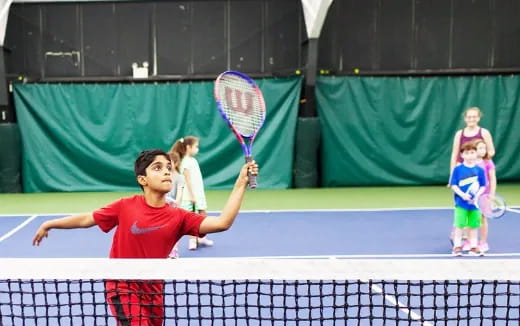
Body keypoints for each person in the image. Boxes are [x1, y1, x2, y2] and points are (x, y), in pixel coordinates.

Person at [32, 149, 259, 326]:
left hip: (154, 292)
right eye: (158, 168)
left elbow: (222, 223)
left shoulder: (178, 216)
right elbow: (87, 219)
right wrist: (51, 223)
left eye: (169, 167)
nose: (167, 171)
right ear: (143, 179)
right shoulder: (125, 206)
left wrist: (240, 182)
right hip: (121, 287)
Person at [170, 136, 212, 250]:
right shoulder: (185, 162)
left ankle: (202, 238)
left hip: (199, 194)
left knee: (203, 214)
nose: (197, 149)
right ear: (188, 147)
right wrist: (192, 196)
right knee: (191, 219)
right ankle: (192, 240)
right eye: (196, 147)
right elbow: (187, 180)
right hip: (190, 196)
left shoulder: (193, 160)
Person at [449, 141, 486, 257]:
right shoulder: (458, 169)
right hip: (461, 204)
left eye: (472, 153)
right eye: (467, 153)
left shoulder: (480, 170)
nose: (470, 155)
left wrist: (477, 196)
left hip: (474, 205)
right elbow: (453, 185)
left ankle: (473, 247)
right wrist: (462, 195)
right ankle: (457, 247)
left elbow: (483, 186)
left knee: (474, 227)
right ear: (462, 155)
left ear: (476, 154)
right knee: (459, 226)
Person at [474, 139, 497, 253]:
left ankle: (483, 243)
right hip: (471, 197)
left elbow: (492, 179)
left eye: (484, 148)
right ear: (474, 150)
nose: (483, 150)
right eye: (480, 148)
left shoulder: (488, 162)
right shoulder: (469, 163)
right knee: (470, 219)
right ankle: (471, 242)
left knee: (483, 219)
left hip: (484, 196)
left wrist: (491, 195)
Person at [165, 151, 185, 259]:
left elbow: (180, 193)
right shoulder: (163, 175)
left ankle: (175, 250)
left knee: (173, 231)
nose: (167, 165)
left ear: (176, 163)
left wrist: (176, 203)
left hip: (174, 208)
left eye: (169, 163)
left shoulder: (180, 177)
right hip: (162, 207)